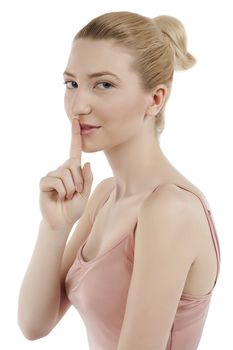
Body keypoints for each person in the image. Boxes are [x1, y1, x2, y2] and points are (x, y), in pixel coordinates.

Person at [17, 11, 221, 350]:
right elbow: (34, 324)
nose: (78, 105)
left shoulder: (169, 211)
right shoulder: (105, 195)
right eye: (72, 84)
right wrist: (54, 228)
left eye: (104, 85)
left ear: (155, 99)